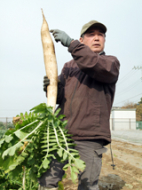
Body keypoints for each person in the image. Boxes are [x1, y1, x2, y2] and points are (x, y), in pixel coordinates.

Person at [38, 20, 120, 190]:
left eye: (100, 35)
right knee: (47, 183)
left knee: (87, 186)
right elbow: (60, 98)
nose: (97, 38)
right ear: (83, 40)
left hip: (90, 136)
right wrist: (51, 87)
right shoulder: (69, 67)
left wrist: (72, 44)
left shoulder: (110, 63)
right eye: (91, 35)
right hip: (61, 136)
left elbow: (94, 65)